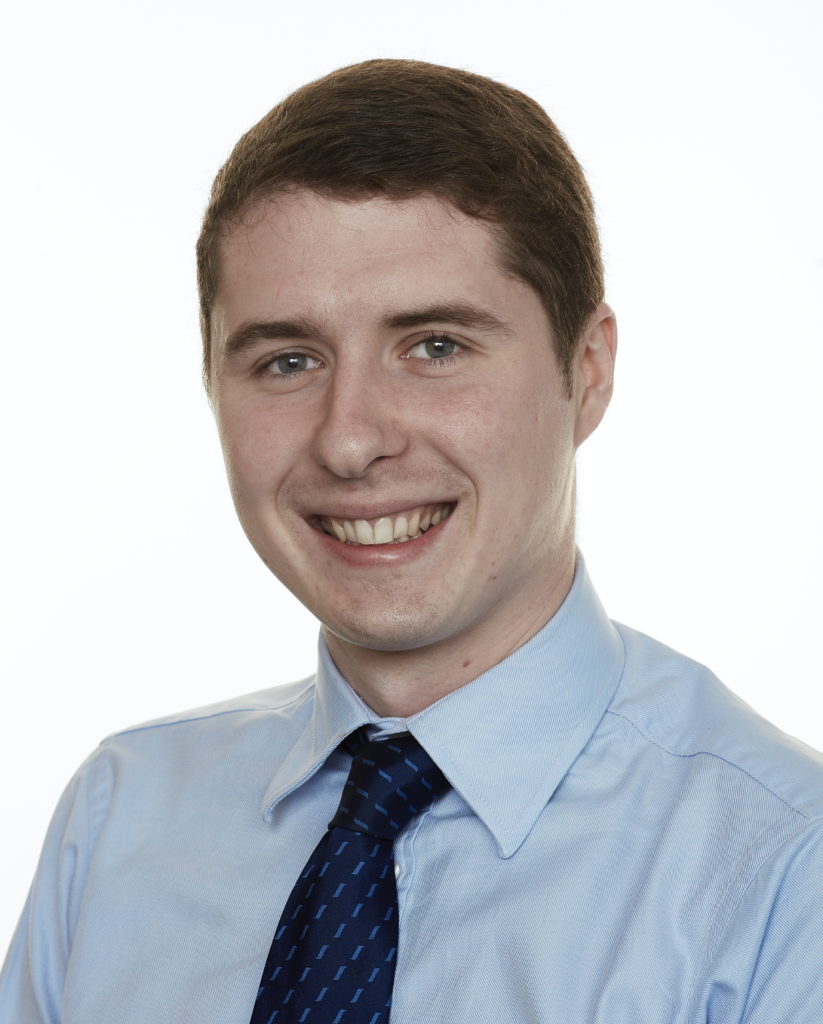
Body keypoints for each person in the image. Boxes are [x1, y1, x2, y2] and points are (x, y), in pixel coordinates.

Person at [2, 58, 823, 1024]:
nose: (349, 440)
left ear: (588, 369)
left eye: (435, 346)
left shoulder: (781, 871)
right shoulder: (115, 824)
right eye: (288, 361)